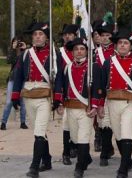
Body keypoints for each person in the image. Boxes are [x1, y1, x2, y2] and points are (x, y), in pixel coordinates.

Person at [11, 22, 63, 177]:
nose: (37, 37)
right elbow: (18, 74)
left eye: (41, 34)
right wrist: (15, 95)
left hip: (45, 96)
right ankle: (46, 160)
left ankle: (34, 166)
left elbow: (59, 77)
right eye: (35, 34)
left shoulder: (54, 54)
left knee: (40, 131)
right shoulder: (26, 54)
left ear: (46, 37)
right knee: (38, 132)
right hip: (29, 95)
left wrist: (58, 98)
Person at [101, 28, 132, 178]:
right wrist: (98, 105)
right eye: (120, 43)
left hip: (129, 102)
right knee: (117, 134)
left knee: (127, 133)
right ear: (116, 46)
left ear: (131, 46)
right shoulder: (108, 62)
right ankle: (126, 160)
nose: (123, 45)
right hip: (112, 102)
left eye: (126, 43)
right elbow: (101, 85)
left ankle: (122, 170)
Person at [53, 38, 100, 178]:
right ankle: (86, 158)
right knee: (74, 138)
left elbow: (98, 87)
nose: (79, 51)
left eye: (82, 49)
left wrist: (95, 106)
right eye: (76, 49)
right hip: (70, 107)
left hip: (85, 108)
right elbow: (60, 86)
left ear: (86, 51)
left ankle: (79, 167)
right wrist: (59, 102)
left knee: (83, 137)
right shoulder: (67, 67)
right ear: (72, 52)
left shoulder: (93, 67)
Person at [94, 23, 116, 165]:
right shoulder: (95, 53)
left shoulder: (117, 51)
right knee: (102, 122)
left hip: (114, 89)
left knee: (110, 122)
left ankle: (105, 150)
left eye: (108, 35)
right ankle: (106, 148)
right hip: (99, 90)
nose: (106, 38)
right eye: (103, 36)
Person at [59, 24, 79, 165]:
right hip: (66, 93)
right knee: (66, 124)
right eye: (65, 34)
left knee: (78, 124)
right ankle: (66, 152)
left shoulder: (81, 51)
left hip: (80, 95)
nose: (67, 36)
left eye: (70, 34)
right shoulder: (59, 52)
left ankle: (75, 146)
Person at [1, 37, 28, 130]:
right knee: (9, 102)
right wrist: (13, 49)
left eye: (18, 42)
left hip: (23, 80)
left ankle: (23, 122)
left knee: (23, 103)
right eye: (15, 42)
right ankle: (3, 123)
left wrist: (25, 49)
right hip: (12, 79)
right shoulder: (12, 51)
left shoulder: (25, 53)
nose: (17, 44)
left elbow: (27, 62)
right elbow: (9, 60)